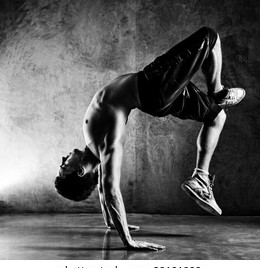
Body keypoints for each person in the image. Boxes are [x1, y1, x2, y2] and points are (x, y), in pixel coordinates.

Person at [55, 27, 245, 250]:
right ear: (79, 171)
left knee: (217, 116)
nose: (62, 159)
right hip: (154, 84)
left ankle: (200, 177)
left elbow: (102, 186)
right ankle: (218, 91)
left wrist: (110, 222)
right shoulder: (104, 141)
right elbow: (110, 188)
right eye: (62, 167)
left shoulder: (94, 151)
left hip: (156, 97)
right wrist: (129, 241)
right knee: (209, 37)